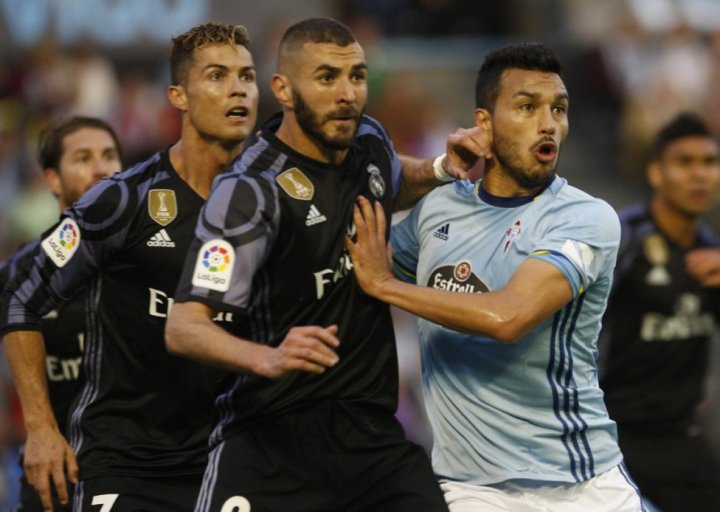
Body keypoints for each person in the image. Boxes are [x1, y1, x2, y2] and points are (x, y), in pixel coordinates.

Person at [165, 17, 484, 512]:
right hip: (273, 438)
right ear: (284, 90)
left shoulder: (369, 142)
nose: (348, 94)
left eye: (356, 76)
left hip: (372, 437)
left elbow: (391, 180)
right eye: (327, 77)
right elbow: (184, 326)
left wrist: (441, 169)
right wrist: (266, 358)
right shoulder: (250, 191)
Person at [344, 42, 646, 512]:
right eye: (527, 107)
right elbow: (355, 247)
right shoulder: (439, 210)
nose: (548, 123)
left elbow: (509, 317)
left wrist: (386, 285)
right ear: (483, 123)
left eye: (558, 109)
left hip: (581, 483)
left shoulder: (586, 218)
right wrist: (441, 171)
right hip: (472, 489)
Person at [0, 22, 258, 512]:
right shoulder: (125, 199)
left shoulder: (271, 199)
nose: (237, 88)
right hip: (129, 464)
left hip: (230, 459)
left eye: (246, 75)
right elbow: (21, 299)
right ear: (178, 96)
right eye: (218, 75)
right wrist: (39, 427)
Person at [598, 112, 720, 512]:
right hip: (614, 435)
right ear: (655, 172)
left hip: (680, 433)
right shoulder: (624, 238)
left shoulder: (711, 250)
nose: (699, 175)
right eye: (684, 162)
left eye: (709, 163)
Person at [0, 115, 122, 512]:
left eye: (109, 155)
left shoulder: (153, 259)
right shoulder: (20, 274)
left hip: (144, 468)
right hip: (54, 471)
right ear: (52, 180)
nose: (101, 168)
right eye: (83, 158)